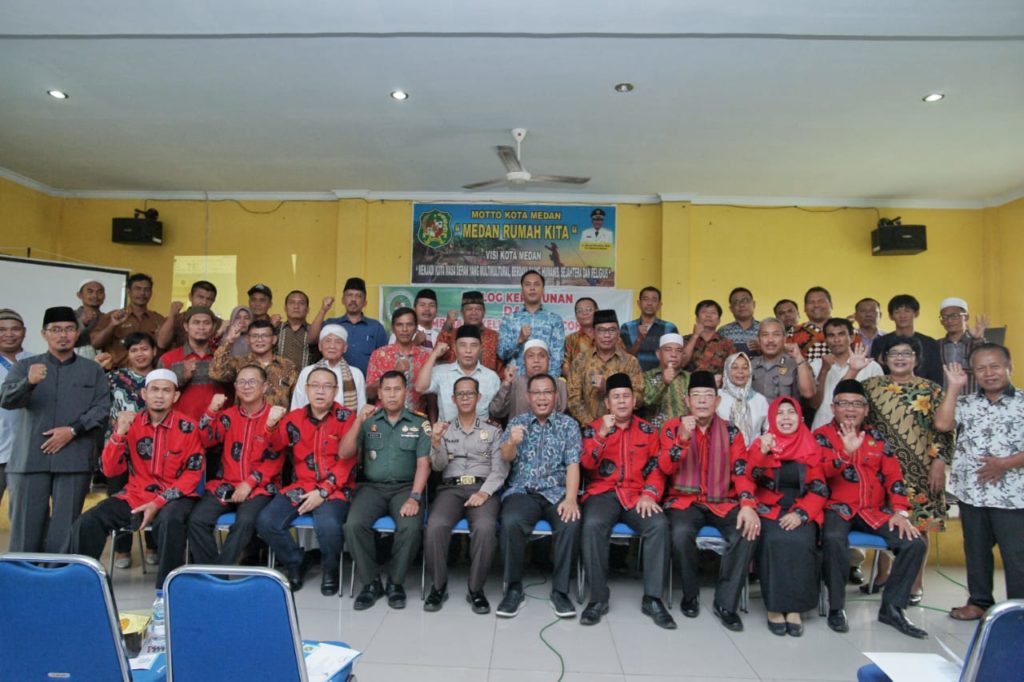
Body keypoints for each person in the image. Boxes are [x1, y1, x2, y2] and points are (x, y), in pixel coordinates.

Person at [66, 369, 203, 587]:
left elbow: (193, 474)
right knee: (88, 521)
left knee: (170, 521)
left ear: (176, 396)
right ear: (143, 393)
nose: (160, 395)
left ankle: (165, 591)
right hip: (136, 495)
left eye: (166, 390)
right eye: (154, 389)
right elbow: (110, 471)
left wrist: (158, 502)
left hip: (174, 497)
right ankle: (78, 583)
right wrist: (119, 433)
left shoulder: (188, 427)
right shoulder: (131, 424)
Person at [816, 379, 929, 638]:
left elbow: (894, 478)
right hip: (836, 508)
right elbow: (818, 474)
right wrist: (844, 453)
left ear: (866, 409)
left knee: (915, 542)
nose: (850, 409)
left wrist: (901, 513)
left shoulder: (877, 437)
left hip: (872, 511)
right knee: (833, 539)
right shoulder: (822, 436)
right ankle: (836, 607)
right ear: (833, 408)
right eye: (844, 403)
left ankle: (892, 607)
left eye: (857, 404)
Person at [1, 306, 110, 553]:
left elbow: (102, 408)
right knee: (26, 530)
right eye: (56, 330)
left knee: (65, 532)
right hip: (30, 460)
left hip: (73, 459)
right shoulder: (25, 366)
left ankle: (57, 580)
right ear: (44, 334)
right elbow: (7, 400)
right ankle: (24, 580)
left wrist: (72, 431)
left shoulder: (91, 370)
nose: (63, 335)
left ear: (77, 333)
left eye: (69, 329)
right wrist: (27, 383)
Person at [657, 371, 757, 632]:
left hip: (721, 500)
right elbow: (665, 468)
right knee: (679, 533)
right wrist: (682, 439)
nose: (702, 401)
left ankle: (726, 603)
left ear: (717, 401)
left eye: (708, 396)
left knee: (747, 531)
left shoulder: (732, 432)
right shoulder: (671, 427)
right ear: (687, 399)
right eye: (697, 396)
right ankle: (690, 594)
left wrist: (747, 505)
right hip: (684, 501)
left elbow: (741, 470)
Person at [579, 373, 676, 629]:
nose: (621, 402)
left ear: (634, 401)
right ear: (607, 404)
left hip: (637, 494)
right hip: (603, 493)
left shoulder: (648, 430)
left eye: (626, 397)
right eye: (616, 398)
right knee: (591, 525)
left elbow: (658, 467)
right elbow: (586, 464)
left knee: (659, 525)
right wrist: (601, 435)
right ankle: (598, 598)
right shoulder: (592, 428)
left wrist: (649, 494)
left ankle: (653, 599)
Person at [937, 346, 1024, 622]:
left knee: (1017, 556)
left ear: (1008, 367)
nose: (989, 373)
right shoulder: (966, 402)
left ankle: (1017, 610)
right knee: (975, 551)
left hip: (1013, 495)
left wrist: (1005, 463)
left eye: (995, 366)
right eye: (982, 368)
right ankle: (979, 602)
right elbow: (942, 424)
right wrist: (953, 387)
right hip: (972, 493)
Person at [862, 338, 952, 602]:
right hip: (879, 470)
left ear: (916, 358)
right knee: (885, 523)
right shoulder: (871, 388)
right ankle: (882, 575)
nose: (900, 358)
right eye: (894, 354)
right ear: (883, 358)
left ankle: (915, 584)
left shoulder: (931, 390)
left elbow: (945, 430)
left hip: (921, 470)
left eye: (906, 354)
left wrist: (939, 462)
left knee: (918, 528)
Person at [256, 366, 356, 594]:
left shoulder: (347, 418)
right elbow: (274, 446)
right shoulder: (294, 418)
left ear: (335, 391)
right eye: (315, 386)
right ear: (306, 389)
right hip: (302, 485)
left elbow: (348, 461)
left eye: (327, 386)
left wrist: (323, 492)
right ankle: (296, 561)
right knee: (267, 521)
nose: (321, 391)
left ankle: (330, 571)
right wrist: (270, 425)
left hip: (336, 488)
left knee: (329, 526)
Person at [341, 371, 431, 610]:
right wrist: (358, 421)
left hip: (405, 487)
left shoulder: (419, 422)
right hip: (371, 488)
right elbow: (344, 453)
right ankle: (371, 583)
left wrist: (415, 497)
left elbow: (424, 463)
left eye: (397, 389)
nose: (392, 394)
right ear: (379, 393)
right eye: (387, 390)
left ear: (405, 391)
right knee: (353, 525)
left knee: (410, 527)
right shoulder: (369, 420)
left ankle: (395, 583)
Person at [496, 373, 582, 619]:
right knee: (511, 521)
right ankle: (513, 589)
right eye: (537, 393)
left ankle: (560, 592)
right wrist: (512, 442)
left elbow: (573, 464)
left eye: (547, 392)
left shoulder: (568, 425)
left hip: (557, 492)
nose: (542, 398)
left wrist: (571, 499)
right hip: (523, 490)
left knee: (571, 521)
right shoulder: (517, 422)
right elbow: (505, 457)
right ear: (528, 397)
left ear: (555, 396)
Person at [423, 376, 508, 614]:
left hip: (483, 488)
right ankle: (438, 586)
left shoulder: (493, 431)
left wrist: (484, 493)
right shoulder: (445, 429)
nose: (465, 398)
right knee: (436, 525)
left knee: (484, 527)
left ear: (479, 397)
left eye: (470, 393)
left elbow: (500, 469)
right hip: (451, 488)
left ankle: (476, 589)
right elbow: (438, 467)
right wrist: (436, 443)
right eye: (460, 394)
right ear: (453, 399)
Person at [745, 397, 828, 636]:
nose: (785, 418)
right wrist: (762, 452)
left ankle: (795, 608)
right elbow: (749, 476)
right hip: (768, 508)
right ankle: (775, 606)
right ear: (772, 418)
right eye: (779, 413)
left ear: (800, 417)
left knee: (802, 541)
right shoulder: (762, 443)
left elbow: (820, 488)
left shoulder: (812, 445)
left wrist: (801, 514)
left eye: (790, 413)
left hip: (802, 509)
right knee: (773, 540)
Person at [188, 366, 285, 566]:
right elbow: (207, 440)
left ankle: (218, 571)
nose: (246, 387)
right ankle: (212, 571)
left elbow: (275, 458)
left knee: (245, 521)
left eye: (252, 382)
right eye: (241, 382)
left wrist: (249, 482)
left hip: (260, 487)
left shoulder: (276, 416)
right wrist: (211, 411)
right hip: (227, 484)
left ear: (265, 386)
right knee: (196, 520)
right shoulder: (228, 415)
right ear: (235, 387)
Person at [105, 331, 158, 568]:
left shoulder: (160, 380)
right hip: (120, 448)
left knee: (153, 493)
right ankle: (122, 550)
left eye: (145, 349)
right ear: (127, 354)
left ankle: (153, 545)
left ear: (154, 352)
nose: (140, 354)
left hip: (153, 450)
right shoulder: (113, 378)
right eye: (134, 350)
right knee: (119, 496)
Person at [567, 310, 643, 427]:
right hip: (589, 430)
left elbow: (638, 398)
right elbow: (573, 399)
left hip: (623, 429)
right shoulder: (580, 361)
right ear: (593, 332)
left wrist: (607, 388)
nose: (607, 335)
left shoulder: (630, 362)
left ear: (618, 332)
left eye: (611, 330)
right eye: (601, 330)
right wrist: (595, 425)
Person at [810, 318, 884, 430]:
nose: (836, 339)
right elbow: (813, 404)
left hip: (859, 431)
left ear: (852, 338)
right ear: (825, 340)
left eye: (841, 334)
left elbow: (878, 406)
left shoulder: (871, 366)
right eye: (831, 335)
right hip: (821, 428)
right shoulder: (814, 365)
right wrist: (824, 371)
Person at [416, 325, 500, 422]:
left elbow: (496, 412)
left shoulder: (491, 377)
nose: (468, 351)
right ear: (455, 348)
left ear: (481, 349)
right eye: (463, 345)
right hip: (446, 433)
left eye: (474, 345)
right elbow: (420, 388)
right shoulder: (441, 372)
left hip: (481, 434)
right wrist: (434, 354)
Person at [211, 319, 298, 407]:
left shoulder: (288, 366)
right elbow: (216, 373)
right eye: (254, 336)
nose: (259, 340)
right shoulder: (239, 363)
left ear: (274, 339)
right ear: (248, 340)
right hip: (245, 419)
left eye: (265, 336)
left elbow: (296, 399)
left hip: (280, 419)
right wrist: (229, 341)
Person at [498, 270, 565, 378]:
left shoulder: (554, 320)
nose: (532, 288)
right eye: (528, 284)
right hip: (516, 382)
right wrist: (518, 340)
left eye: (537, 284)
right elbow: (502, 354)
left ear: (543, 290)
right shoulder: (509, 319)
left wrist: (549, 384)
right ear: (522, 290)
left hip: (544, 386)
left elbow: (557, 359)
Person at [91, 273, 166, 368]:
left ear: (151, 293)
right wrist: (112, 325)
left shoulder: (158, 319)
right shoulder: (113, 316)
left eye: (146, 289)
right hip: (116, 373)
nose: (142, 293)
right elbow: (95, 344)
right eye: (137, 289)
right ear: (129, 291)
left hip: (148, 375)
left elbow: (165, 348)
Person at [157, 306, 219, 420]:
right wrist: (180, 376)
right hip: (181, 429)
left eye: (206, 323)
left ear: (213, 327)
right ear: (186, 326)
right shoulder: (168, 359)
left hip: (216, 428)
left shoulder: (222, 358)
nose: (201, 327)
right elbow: (157, 396)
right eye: (196, 322)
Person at [365, 307, 430, 411]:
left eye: (409, 324)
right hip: (385, 421)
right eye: (399, 325)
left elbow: (430, 397)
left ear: (416, 328)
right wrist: (394, 372)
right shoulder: (379, 355)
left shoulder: (425, 357)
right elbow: (370, 394)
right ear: (393, 328)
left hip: (416, 421)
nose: (405, 329)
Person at [290, 325, 366, 412]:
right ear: (320, 346)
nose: (332, 346)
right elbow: (296, 406)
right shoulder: (307, 372)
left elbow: (361, 410)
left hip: (346, 425)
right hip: (310, 425)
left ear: (345, 348)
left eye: (338, 342)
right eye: (328, 341)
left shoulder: (356, 374)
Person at [489, 339, 568, 422]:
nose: (536, 360)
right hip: (518, 433)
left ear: (549, 360)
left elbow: (562, 417)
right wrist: (506, 384)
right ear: (524, 360)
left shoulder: (559, 384)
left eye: (541, 356)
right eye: (531, 356)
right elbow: (496, 411)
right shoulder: (514, 383)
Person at [873, 294, 943, 386]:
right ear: (891, 316)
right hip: (888, 393)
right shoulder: (880, 342)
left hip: (923, 394)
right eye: (897, 312)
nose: (902, 315)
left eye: (907, 311)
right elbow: (875, 373)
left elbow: (936, 376)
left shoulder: (930, 343)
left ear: (916, 313)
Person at [324, 277, 388, 376]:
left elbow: (384, 359)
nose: (353, 299)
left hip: (366, 386)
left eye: (358, 296)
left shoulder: (376, 327)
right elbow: (311, 339)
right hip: (334, 384)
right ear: (342, 300)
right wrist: (323, 310)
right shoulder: (331, 324)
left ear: (365, 302)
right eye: (349, 295)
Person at [0, 309, 31, 505]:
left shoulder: (37, 360)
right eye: (2, 330)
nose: (9, 334)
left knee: (26, 509)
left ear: (24, 331)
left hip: (28, 449)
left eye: (15, 329)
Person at [436, 290, 503, 373]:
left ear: (484, 312)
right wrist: (448, 324)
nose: (473, 313)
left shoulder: (494, 336)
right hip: (455, 383)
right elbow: (438, 354)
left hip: (487, 383)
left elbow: (500, 366)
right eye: (469, 309)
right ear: (462, 312)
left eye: (478, 309)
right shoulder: (452, 334)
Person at [749, 318, 815, 401]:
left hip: (785, 414)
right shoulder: (749, 365)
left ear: (784, 338)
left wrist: (799, 358)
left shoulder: (797, 363)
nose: (770, 340)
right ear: (758, 339)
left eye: (776, 335)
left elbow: (808, 393)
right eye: (765, 335)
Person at [937, 296, 988, 396]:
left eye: (954, 315)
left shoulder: (977, 343)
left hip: (974, 402)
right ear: (941, 321)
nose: (949, 321)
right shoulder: (936, 345)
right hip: (945, 402)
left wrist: (978, 339)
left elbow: (987, 363)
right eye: (945, 317)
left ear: (966, 317)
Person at [620, 286, 679, 372]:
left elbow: (674, 356)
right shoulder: (627, 327)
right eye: (645, 299)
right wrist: (639, 340)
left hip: (661, 378)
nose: (649, 303)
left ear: (659, 305)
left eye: (654, 300)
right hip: (634, 377)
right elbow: (625, 358)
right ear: (639, 303)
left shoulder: (670, 327)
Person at [717, 352, 768, 444]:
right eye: (735, 367)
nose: (740, 371)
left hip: (753, 455)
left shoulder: (760, 400)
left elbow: (768, 430)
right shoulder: (717, 397)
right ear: (727, 370)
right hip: (723, 454)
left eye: (745, 368)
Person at [641, 334, 690, 429]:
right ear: (658, 354)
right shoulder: (646, 376)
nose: (674, 354)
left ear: (683, 355)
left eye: (678, 350)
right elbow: (645, 403)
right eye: (668, 349)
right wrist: (663, 382)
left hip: (684, 437)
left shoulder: (690, 378)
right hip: (655, 437)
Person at [155, 280, 220, 351]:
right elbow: (161, 344)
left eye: (209, 299)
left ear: (213, 301)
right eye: (200, 297)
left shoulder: (218, 323)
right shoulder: (176, 319)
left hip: (209, 361)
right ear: (190, 297)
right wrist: (172, 315)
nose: (204, 302)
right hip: (179, 360)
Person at [276, 290, 331, 369]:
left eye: (301, 303)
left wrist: (323, 310)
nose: (296, 306)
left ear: (307, 309)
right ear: (285, 308)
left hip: (307, 379)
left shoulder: (315, 331)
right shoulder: (276, 329)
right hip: (278, 380)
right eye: (292, 302)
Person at [680, 300, 737, 377]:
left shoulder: (727, 343)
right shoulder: (684, 340)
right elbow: (681, 363)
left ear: (719, 321)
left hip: (716, 387)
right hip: (689, 387)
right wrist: (695, 336)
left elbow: (733, 370)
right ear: (697, 318)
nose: (708, 315)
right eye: (704, 312)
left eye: (713, 313)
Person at [787, 287, 832, 361]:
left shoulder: (847, 330)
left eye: (821, 301)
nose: (816, 305)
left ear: (831, 305)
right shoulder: (793, 332)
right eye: (811, 302)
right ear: (804, 307)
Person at [718, 287, 760, 356]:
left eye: (745, 300)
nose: (741, 305)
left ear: (754, 304)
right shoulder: (723, 331)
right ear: (731, 308)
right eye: (736, 302)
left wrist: (763, 348)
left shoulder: (764, 329)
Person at [562, 297, 598, 377]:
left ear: (597, 312)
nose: (584, 313)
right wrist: (577, 382)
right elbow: (565, 365)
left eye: (589, 309)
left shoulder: (609, 337)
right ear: (576, 316)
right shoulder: (570, 339)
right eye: (580, 311)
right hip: (578, 386)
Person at [74, 279, 106, 351]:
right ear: (79, 295)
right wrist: (82, 323)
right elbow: (65, 340)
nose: (95, 296)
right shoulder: (68, 316)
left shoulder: (108, 319)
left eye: (99, 292)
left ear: (104, 296)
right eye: (90, 291)